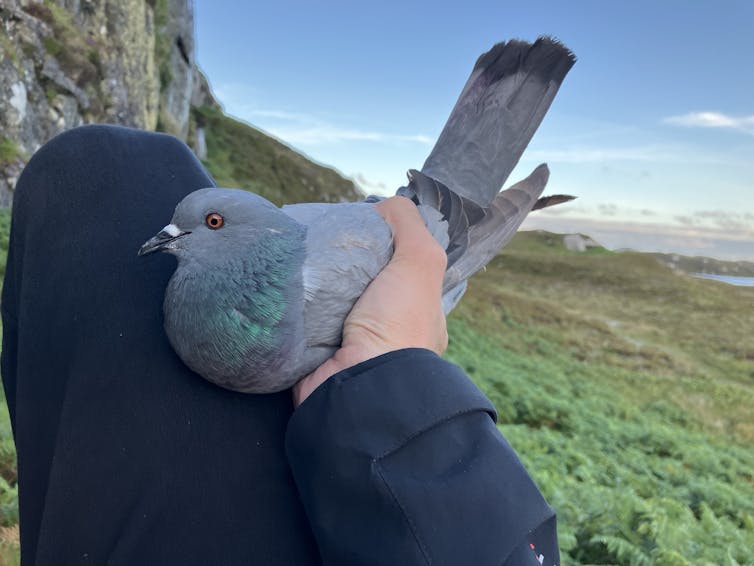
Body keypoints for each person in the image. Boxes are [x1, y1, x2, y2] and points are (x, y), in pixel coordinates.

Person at [1, 125, 559, 565]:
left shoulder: (311, 297)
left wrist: (395, 368)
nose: (170, 237)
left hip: (402, 267)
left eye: (211, 221)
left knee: (94, 160)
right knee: (93, 155)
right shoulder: (218, 260)